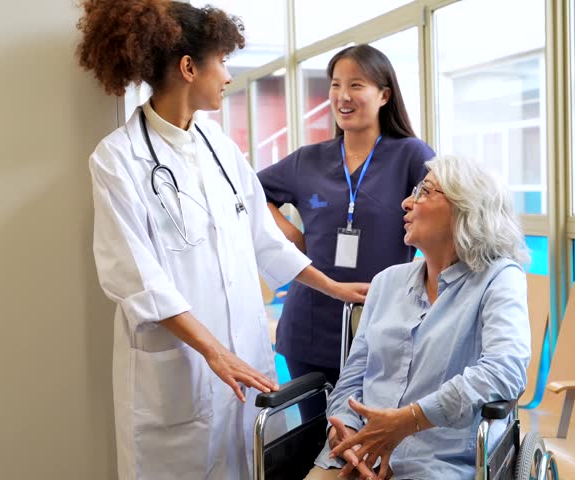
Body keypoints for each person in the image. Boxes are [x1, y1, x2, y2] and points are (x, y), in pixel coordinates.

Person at [76, 1, 367, 478]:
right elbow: (136, 279)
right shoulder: (117, 160)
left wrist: (332, 288)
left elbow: (264, 237)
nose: (229, 76)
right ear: (190, 68)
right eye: (223, 61)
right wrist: (212, 350)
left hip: (240, 363)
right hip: (180, 370)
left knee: (249, 460)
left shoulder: (222, 148)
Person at [305, 155, 532, 479]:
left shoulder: (499, 278)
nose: (406, 202)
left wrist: (409, 420)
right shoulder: (387, 282)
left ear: (466, 207)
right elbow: (352, 377)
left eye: (424, 191)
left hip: (440, 462)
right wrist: (343, 433)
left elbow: (504, 371)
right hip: (356, 453)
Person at [257, 45, 436, 421]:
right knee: (313, 446)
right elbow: (247, 193)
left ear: (384, 95)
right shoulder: (309, 159)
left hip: (384, 322)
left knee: (371, 444)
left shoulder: (410, 155)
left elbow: (444, 211)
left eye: (356, 84)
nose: (343, 96)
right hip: (310, 323)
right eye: (336, 85)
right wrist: (291, 234)